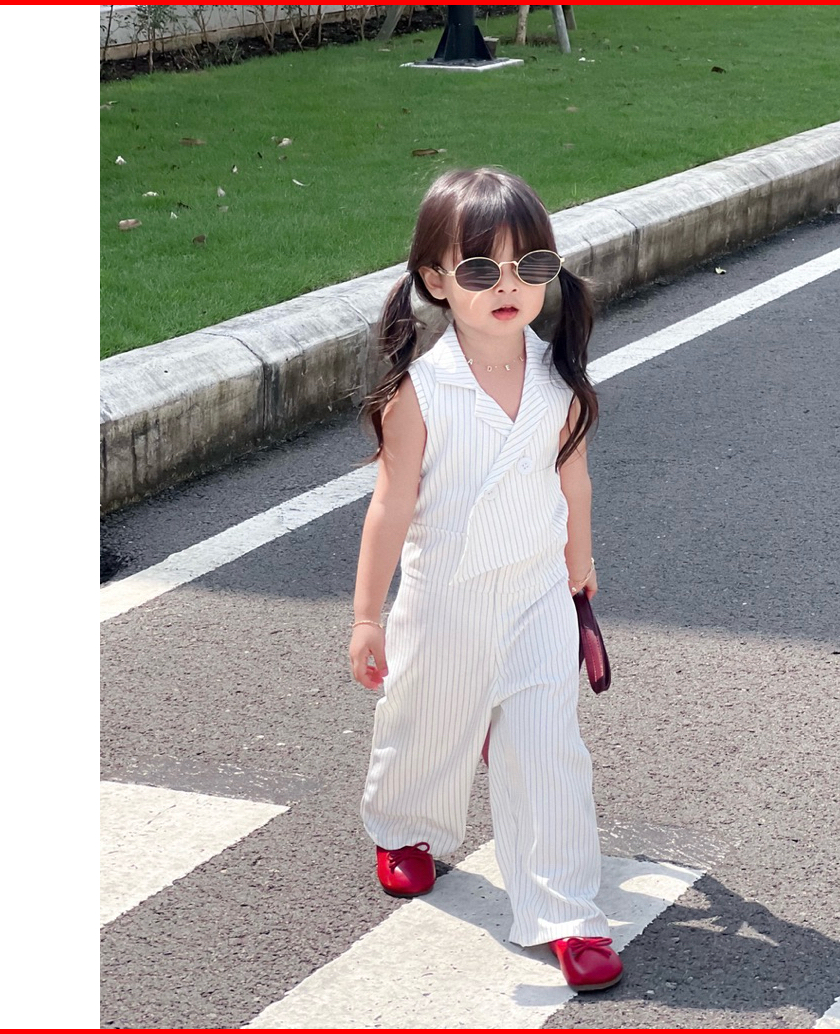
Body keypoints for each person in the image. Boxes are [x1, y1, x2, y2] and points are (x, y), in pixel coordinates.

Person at [347, 167, 621, 992]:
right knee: (428, 722)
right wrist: (367, 617)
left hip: (537, 594)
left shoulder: (558, 378)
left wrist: (580, 567)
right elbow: (390, 506)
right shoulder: (420, 392)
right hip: (445, 600)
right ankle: (404, 826)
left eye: (530, 266)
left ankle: (567, 912)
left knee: (548, 752)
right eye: (479, 269)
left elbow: (572, 483)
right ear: (435, 280)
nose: (508, 286)